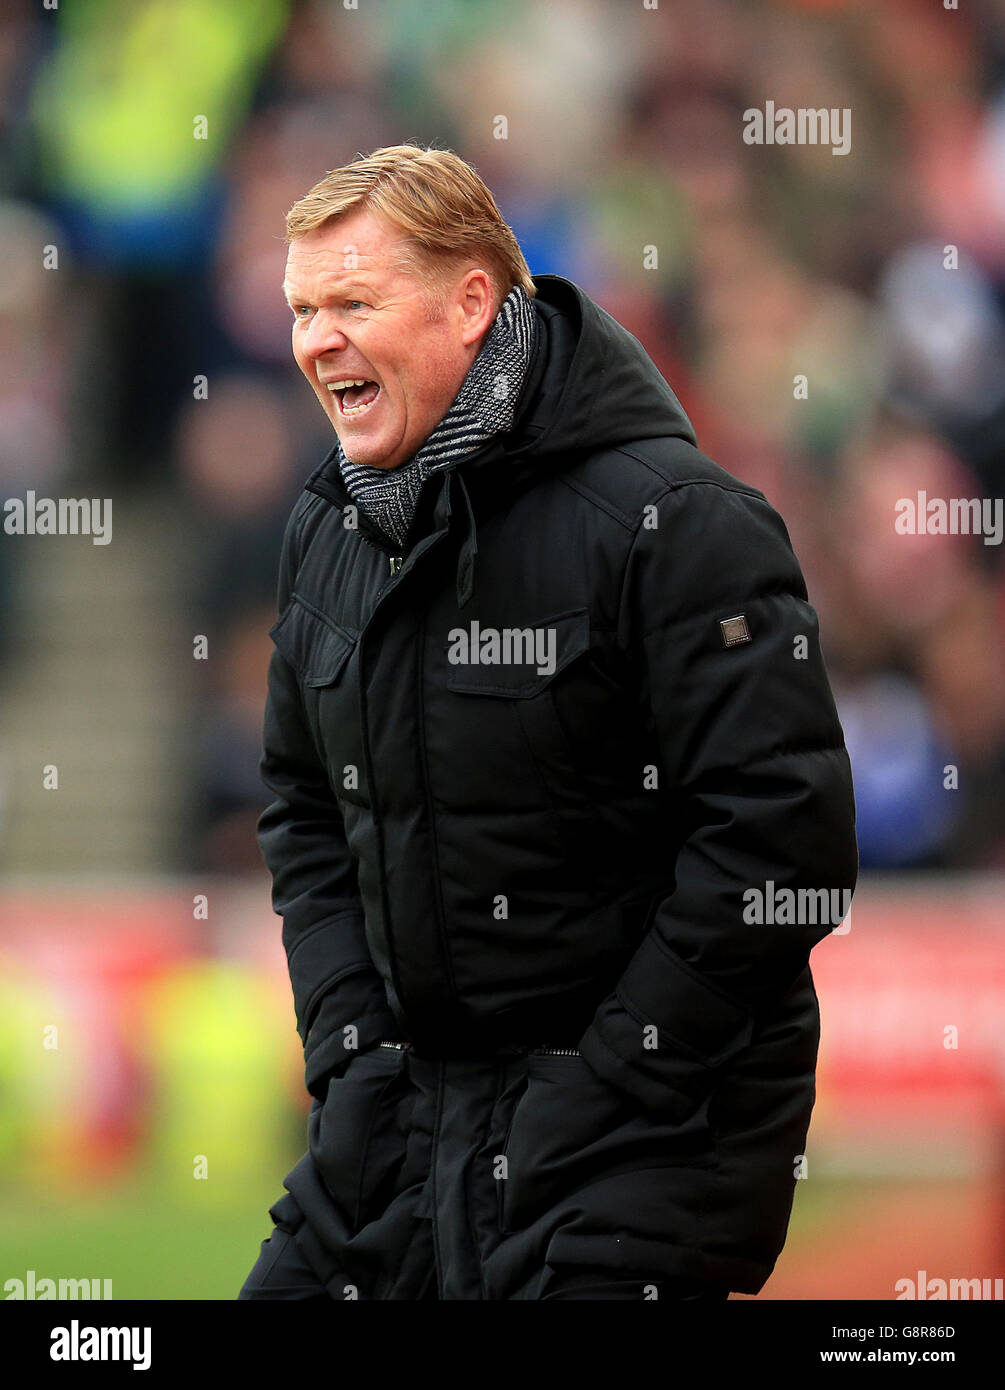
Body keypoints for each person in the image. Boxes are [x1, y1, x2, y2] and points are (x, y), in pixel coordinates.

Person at [238, 143, 858, 1302]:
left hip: (638, 1150)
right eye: (302, 309)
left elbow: (786, 842)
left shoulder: (681, 521)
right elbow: (303, 806)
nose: (315, 340)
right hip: (401, 1130)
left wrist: (614, 1073)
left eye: (353, 303)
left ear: (473, 303)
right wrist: (352, 1051)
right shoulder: (327, 529)